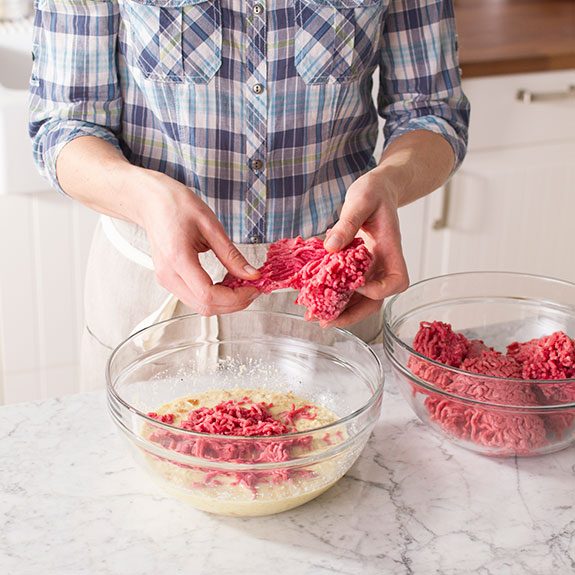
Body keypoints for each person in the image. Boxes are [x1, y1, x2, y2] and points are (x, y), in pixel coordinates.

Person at [29, 0, 469, 388]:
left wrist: (390, 180)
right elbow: (63, 126)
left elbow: (430, 113)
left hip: (329, 293)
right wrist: (147, 197)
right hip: (154, 288)